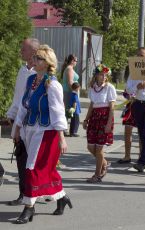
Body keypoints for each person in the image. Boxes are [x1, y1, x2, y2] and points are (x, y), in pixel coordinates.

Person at [13, 45, 72, 224]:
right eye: (35, 57)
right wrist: (16, 128)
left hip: (47, 132)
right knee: (46, 170)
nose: (35, 60)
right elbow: (24, 105)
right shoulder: (31, 79)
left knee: (31, 168)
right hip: (30, 129)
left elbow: (58, 112)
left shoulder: (52, 84)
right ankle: (62, 197)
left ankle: (28, 208)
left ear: (47, 64)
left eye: (39, 58)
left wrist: (62, 138)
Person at [6, 38, 40, 206]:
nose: (21, 52)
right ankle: (23, 193)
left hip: (34, 123)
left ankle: (42, 192)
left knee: (33, 161)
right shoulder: (22, 70)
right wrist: (11, 116)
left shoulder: (40, 73)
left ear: (34, 53)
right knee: (21, 158)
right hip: (19, 121)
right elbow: (17, 97)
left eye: (24, 49)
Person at [83, 64, 116, 183]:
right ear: (96, 75)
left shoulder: (109, 88)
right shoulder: (92, 88)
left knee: (99, 148)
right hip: (94, 118)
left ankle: (97, 175)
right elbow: (92, 105)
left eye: (105, 75)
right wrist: (86, 119)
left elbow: (112, 106)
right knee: (90, 146)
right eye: (101, 74)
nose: (103, 77)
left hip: (105, 117)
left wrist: (109, 123)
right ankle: (105, 163)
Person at [126, 47, 145, 172]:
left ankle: (143, 161)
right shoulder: (133, 72)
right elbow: (128, 90)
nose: (139, 57)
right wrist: (137, 87)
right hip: (137, 104)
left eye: (142, 55)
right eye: (138, 55)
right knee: (142, 133)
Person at [61, 54, 79, 135]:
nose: (76, 62)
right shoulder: (69, 69)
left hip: (69, 91)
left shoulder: (69, 68)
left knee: (68, 110)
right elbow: (70, 82)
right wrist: (74, 92)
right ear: (72, 61)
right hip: (69, 92)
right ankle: (65, 130)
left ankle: (66, 129)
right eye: (76, 61)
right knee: (69, 110)